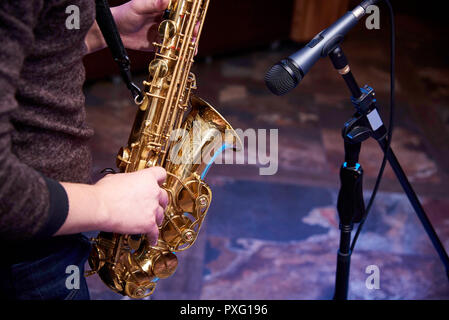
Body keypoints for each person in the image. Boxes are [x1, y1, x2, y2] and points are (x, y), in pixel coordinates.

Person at [0, 0, 170, 300]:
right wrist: (103, 204)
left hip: (46, 235)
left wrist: (106, 30)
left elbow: (32, 48)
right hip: (25, 260)